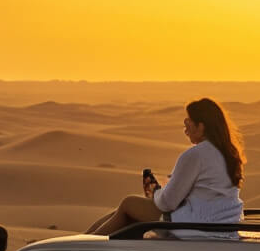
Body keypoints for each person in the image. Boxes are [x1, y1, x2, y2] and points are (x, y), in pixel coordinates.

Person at [91, 98, 246, 236]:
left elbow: (167, 202)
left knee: (128, 203)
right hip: (223, 223)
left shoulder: (195, 155)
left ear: (201, 126)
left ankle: (84, 247)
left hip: (195, 224)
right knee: (122, 211)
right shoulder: (230, 154)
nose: (185, 130)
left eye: (188, 123)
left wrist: (156, 192)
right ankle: (83, 240)